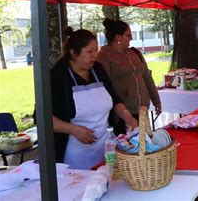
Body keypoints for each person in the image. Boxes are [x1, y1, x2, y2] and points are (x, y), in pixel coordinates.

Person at [51, 27, 137, 170]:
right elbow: (42, 118)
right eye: (90, 52)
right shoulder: (58, 76)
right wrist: (73, 129)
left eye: (96, 50)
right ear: (73, 53)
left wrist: (127, 115)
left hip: (104, 148)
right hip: (74, 154)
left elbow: (115, 100)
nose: (94, 56)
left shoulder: (97, 69)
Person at [97, 18, 161, 134]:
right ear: (118, 37)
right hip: (123, 114)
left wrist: (156, 100)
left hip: (143, 110)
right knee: (130, 146)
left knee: (146, 143)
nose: (131, 38)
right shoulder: (104, 56)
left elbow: (147, 77)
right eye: (128, 35)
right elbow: (104, 86)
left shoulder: (134, 52)